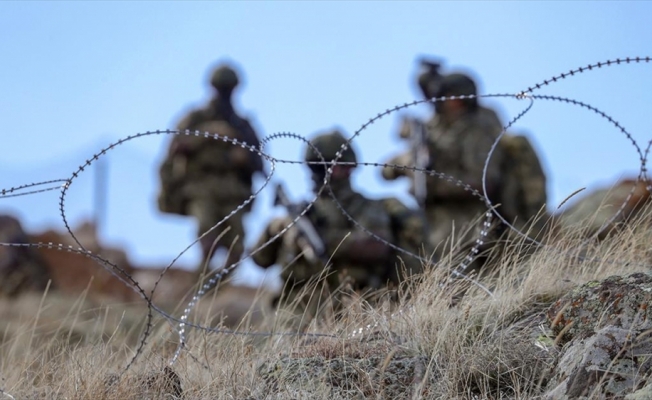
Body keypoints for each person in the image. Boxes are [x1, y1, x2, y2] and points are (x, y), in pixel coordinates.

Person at [251, 129, 425, 325]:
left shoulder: (370, 208)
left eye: (330, 166)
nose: (321, 174)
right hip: (298, 316)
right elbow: (260, 259)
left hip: (359, 311)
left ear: (349, 168)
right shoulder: (296, 217)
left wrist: (327, 242)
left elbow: (376, 246)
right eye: (317, 168)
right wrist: (278, 229)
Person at [382, 70, 506, 277]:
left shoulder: (477, 129)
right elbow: (386, 171)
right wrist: (407, 163)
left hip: (469, 225)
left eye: (447, 96)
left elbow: (484, 181)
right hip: (436, 229)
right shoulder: (433, 128)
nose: (440, 101)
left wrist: (436, 185)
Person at [157, 62, 265, 275]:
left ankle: (217, 287)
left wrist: (243, 158)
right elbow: (175, 149)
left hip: (232, 192)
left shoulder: (242, 125)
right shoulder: (195, 119)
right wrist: (203, 136)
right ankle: (200, 284)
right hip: (201, 187)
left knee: (236, 247)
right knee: (208, 241)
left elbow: (259, 163)